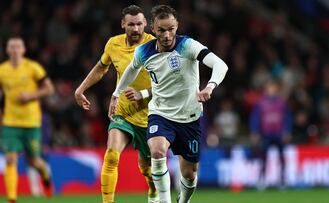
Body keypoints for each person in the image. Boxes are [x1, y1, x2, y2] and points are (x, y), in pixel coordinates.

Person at [110, 5, 228, 203]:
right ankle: (164, 200)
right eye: (162, 30)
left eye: (171, 29)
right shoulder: (144, 52)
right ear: (153, 30)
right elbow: (130, 70)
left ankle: (183, 200)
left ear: (177, 26)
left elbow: (220, 64)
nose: (166, 34)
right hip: (160, 114)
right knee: (157, 151)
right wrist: (116, 94)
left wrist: (210, 87)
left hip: (189, 117)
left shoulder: (188, 46)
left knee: (189, 174)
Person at [74, 5, 158, 203]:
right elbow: (101, 68)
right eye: (131, 24)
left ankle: (153, 188)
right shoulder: (113, 44)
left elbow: (167, 84)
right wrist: (80, 89)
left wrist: (143, 94)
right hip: (123, 113)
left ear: (146, 24)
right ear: (123, 24)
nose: (136, 29)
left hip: (151, 114)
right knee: (111, 156)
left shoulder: (155, 45)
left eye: (139, 24)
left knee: (147, 167)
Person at [0, 37, 55, 203]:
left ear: (23, 50)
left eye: (18, 46)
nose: (15, 49)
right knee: (10, 158)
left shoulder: (33, 68)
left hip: (31, 122)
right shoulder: (2, 70)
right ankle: (12, 198)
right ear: (7, 50)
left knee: (33, 161)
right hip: (10, 122)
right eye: (12, 47)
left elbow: (49, 89)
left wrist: (31, 95)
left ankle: (45, 174)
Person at [249, 79, 292, 190]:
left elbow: (287, 118)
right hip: (266, 134)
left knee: (281, 158)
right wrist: (254, 132)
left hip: (279, 134)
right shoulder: (261, 103)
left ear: (276, 89)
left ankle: (282, 180)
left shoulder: (281, 102)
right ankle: (261, 180)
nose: (271, 90)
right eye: (269, 87)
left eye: (273, 87)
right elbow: (255, 118)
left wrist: (286, 131)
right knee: (263, 158)